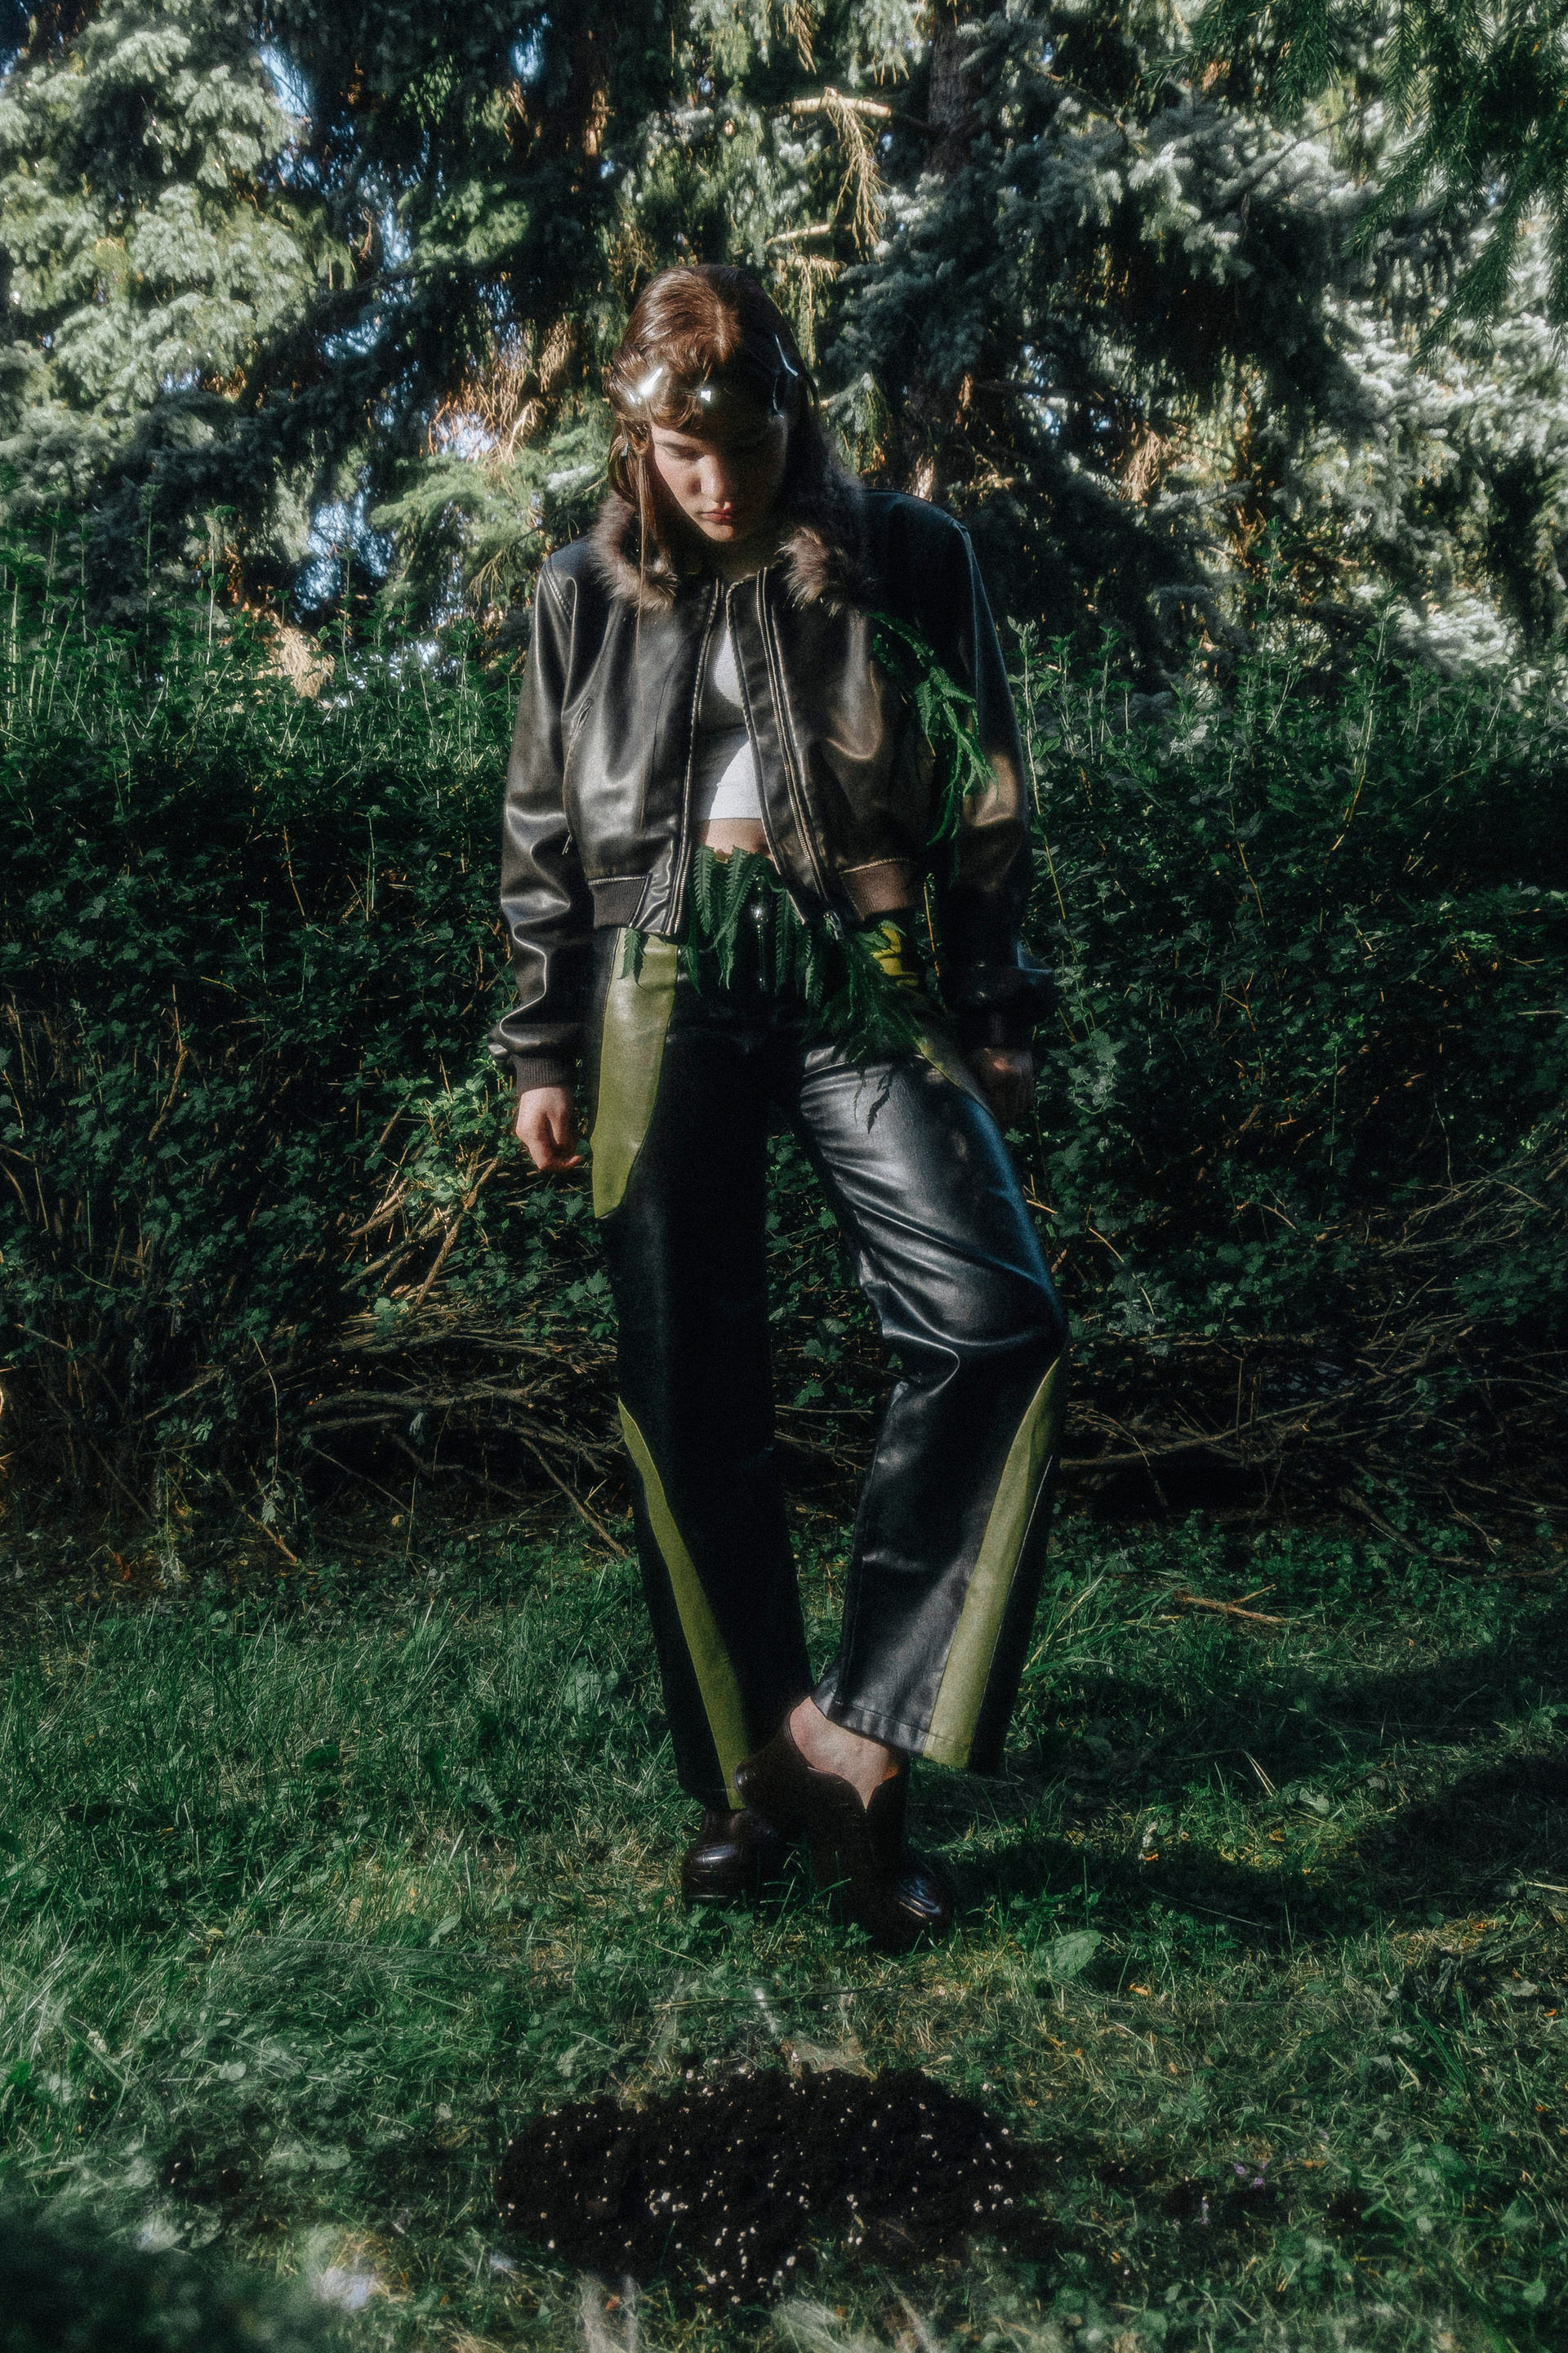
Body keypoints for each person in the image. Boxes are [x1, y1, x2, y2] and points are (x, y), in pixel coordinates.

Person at [492, 263, 1066, 1951]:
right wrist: (541, 1044)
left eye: (744, 445)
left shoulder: (910, 555)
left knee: (996, 1321)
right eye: (683, 456)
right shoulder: (579, 591)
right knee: (686, 1383)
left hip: (858, 962)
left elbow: (986, 789)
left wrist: (993, 1000)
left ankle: (867, 1741)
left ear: (793, 421)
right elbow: (542, 826)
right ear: (636, 443)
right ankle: (759, 1766)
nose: (719, 482)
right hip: (655, 972)